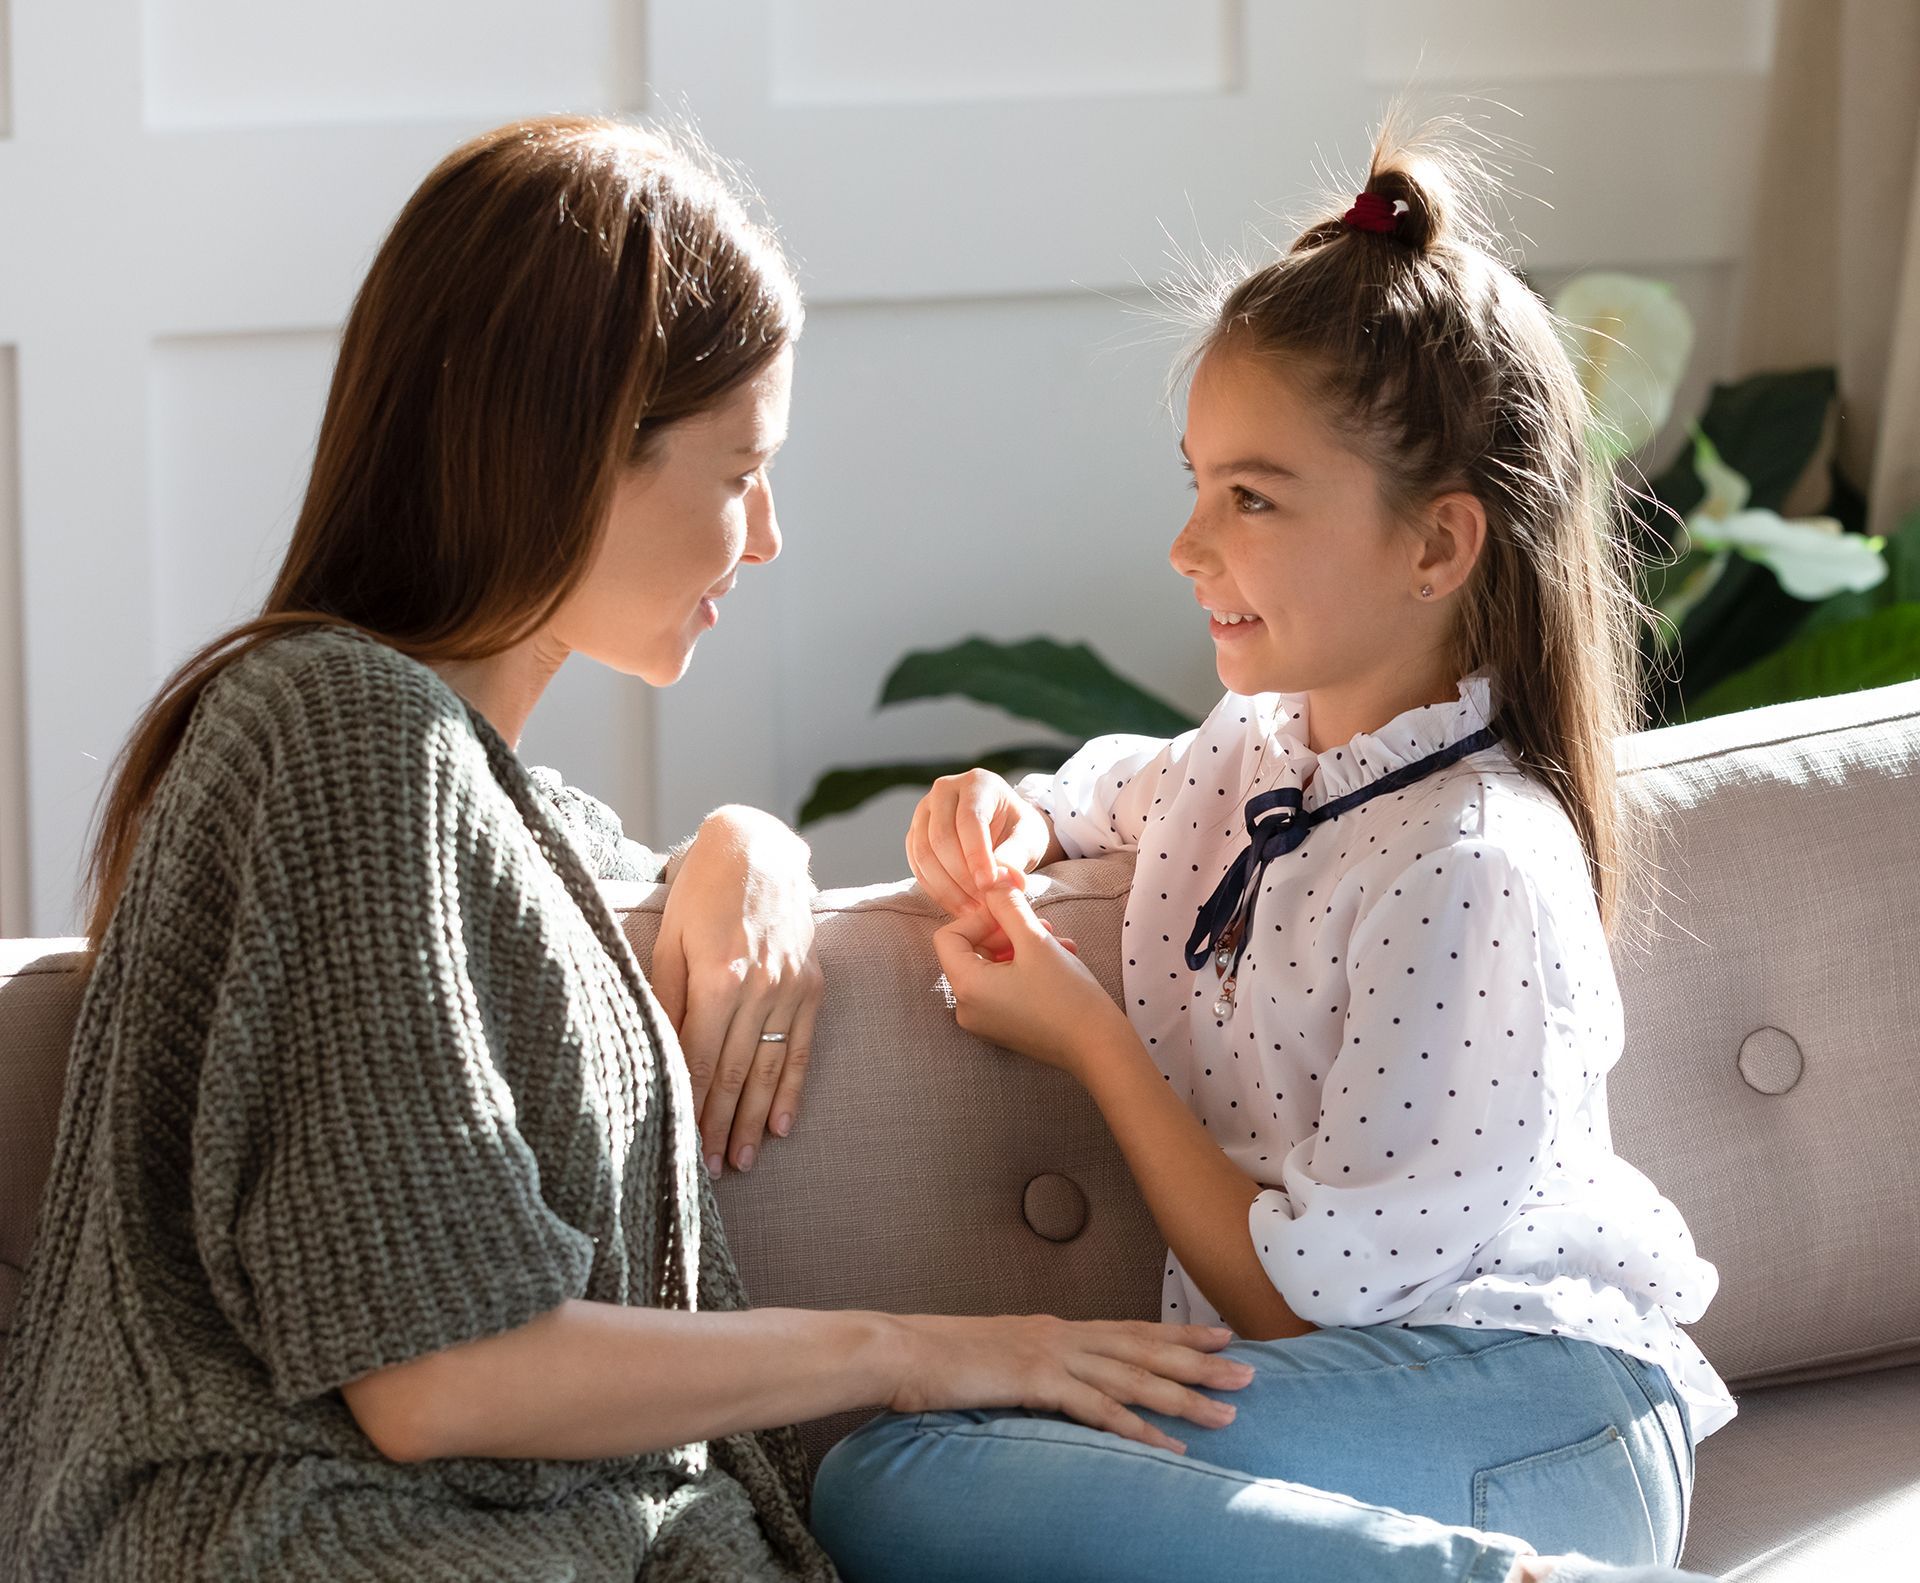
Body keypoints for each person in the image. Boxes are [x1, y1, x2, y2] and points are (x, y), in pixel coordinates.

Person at [0, 116, 1252, 1581]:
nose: (767, 536)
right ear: (576, 455)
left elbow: (595, 891)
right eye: (738, 471)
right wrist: (925, 1350)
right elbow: (440, 1377)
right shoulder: (332, 733)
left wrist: (747, 844)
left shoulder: (460, 792)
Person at [816, 120, 1735, 1583]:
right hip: (1354, 1420)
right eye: (1194, 482)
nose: (1189, 545)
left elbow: (1304, 1313)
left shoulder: (1468, 862)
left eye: (1250, 496)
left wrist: (1088, 1038)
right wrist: (1004, 807)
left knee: (901, 1477)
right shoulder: (1261, 756)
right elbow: (1120, 790)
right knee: (881, 1474)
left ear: (1437, 549)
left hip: (1543, 1418)